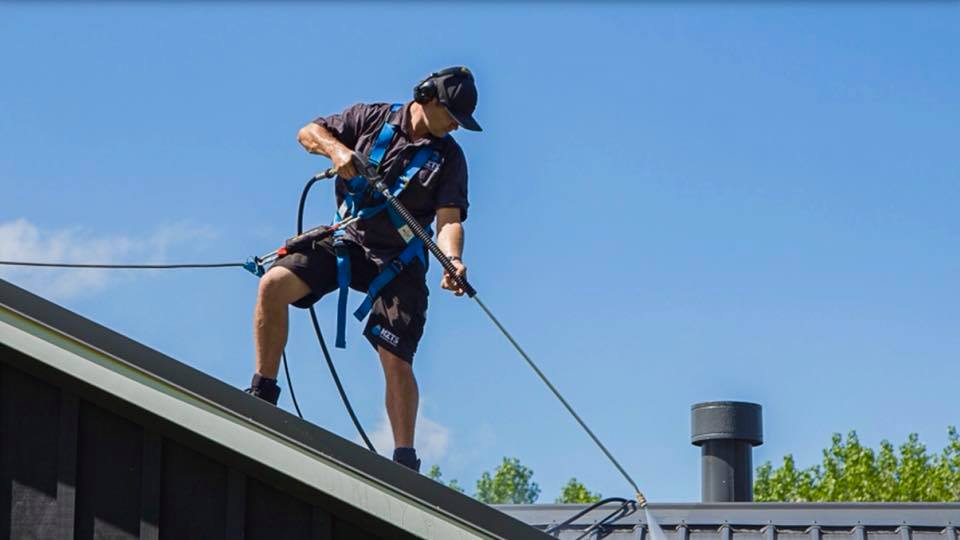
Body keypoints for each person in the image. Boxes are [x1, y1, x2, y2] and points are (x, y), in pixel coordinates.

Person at [246, 67, 482, 472]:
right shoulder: (370, 117)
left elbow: (449, 220)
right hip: (348, 241)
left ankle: (405, 459)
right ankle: (262, 393)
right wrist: (337, 152)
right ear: (428, 98)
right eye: (452, 118)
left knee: (395, 354)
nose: (455, 128)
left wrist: (453, 259)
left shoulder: (449, 158)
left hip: (399, 261)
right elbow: (308, 132)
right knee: (273, 284)